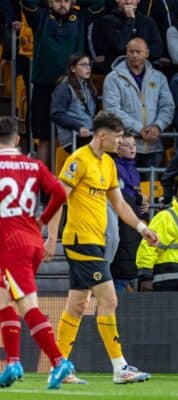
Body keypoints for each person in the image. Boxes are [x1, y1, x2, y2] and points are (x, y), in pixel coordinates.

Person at [56, 111, 159, 384]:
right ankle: (120, 367)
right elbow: (57, 197)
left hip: (95, 241)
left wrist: (141, 228)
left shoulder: (108, 165)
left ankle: (60, 366)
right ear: (102, 136)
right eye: (117, 137)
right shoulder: (78, 160)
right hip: (80, 241)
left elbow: (120, 205)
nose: (121, 142)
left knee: (77, 305)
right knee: (109, 299)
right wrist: (48, 237)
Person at [0, 117, 74, 389]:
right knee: (4, 301)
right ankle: (13, 362)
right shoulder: (34, 165)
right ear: (17, 139)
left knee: (27, 306)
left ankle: (58, 361)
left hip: (10, 244)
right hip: (30, 239)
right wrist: (42, 222)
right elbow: (60, 194)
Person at [22, 0, 103, 169]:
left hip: (73, 86)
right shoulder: (40, 17)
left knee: (79, 136)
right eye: (58, 1)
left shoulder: (80, 18)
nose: (62, 5)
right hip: (44, 85)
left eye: (66, 1)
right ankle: (42, 189)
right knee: (44, 137)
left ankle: (73, 183)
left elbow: (99, 4)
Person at [103, 38, 175, 171]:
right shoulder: (113, 78)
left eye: (138, 51)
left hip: (154, 147)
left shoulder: (159, 78)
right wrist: (139, 129)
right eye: (131, 51)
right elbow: (111, 109)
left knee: (153, 189)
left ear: (147, 53)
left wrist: (158, 126)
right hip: (123, 147)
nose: (134, 55)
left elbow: (168, 106)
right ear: (126, 53)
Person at [111, 133, 149, 292]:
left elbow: (134, 193)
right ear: (118, 149)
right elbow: (120, 195)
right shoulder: (113, 167)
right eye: (127, 145)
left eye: (134, 145)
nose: (132, 148)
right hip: (120, 217)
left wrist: (142, 203)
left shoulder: (133, 168)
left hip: (132, 216)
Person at [90, 0, 163, 73]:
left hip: (146, 70)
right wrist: (130, 20)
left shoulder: (148, 21)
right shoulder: (107, 20)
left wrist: (137, 55)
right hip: (118, 72)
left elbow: (157, 50)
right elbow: (120, 45)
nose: (128, 1)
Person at [50, 53, 97, 152]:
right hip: (74, 138)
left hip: (89, 134)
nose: (88, 68)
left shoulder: (87, 87)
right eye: (83, 65)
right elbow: (57, 114)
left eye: (89, 65)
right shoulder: (64, 88)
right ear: (73, 68)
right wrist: (78, 127)